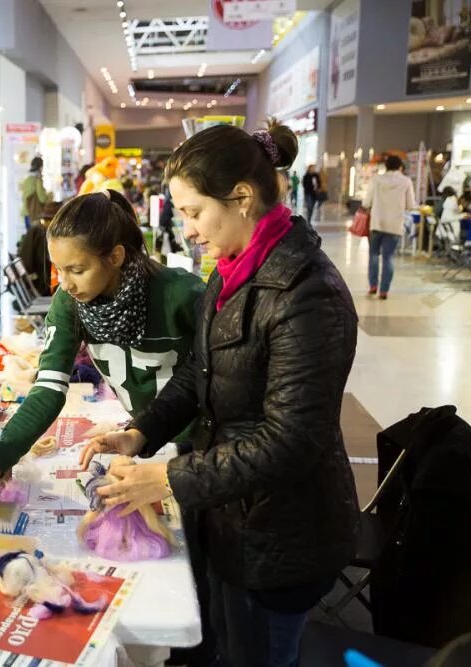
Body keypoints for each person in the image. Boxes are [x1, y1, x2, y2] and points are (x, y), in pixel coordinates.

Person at [81, 121, 359, 667]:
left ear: (242, 198)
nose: (188, 230)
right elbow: (197, 373)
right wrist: (142, 432)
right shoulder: (234, 270)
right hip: (227, 516)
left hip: (280, 534)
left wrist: (167, 476)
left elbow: (290, 441)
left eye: (193, 212)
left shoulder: (307, 294)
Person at [0, 189, 203, 509]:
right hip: (146, 441)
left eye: (77, 270)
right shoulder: (70, 303)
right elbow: (48, 388)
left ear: (115, 257)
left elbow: (211, 373)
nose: (65, 283)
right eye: (59, 269)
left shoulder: (180, 293)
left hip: (201, 447)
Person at [363, 155, 415, 299]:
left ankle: (373, 285)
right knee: (388, 257)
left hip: (377, 223)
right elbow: (411, 205)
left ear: (385, 166)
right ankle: (384, 290)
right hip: (395, 225)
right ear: (400, 167)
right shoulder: (406, 181)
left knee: (373, 255)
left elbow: (366, 202)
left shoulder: (376, 179)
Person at [21, 156, 50, 229]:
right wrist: (50, 195)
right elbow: (42, 198)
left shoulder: (26, 179)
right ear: (40, 167)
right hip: (34, 213)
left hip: (26, 212)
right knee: (36, 238)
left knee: (30, 237)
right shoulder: (37, 179)